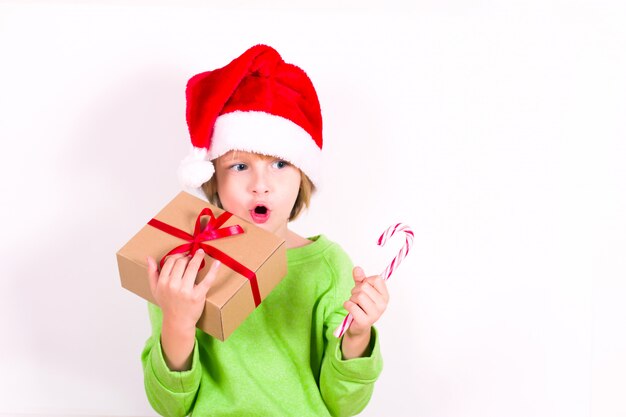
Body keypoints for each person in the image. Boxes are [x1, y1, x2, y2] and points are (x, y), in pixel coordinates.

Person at [142, 44, 389, 417]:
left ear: (302, 176)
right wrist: (178, 321)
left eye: (280, 164)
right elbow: (170, 405)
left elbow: (345, 404)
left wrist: (357, 334)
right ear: (214, 179)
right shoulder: (183, 265)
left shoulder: (328, 267)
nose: (260, 184)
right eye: (239, 166)